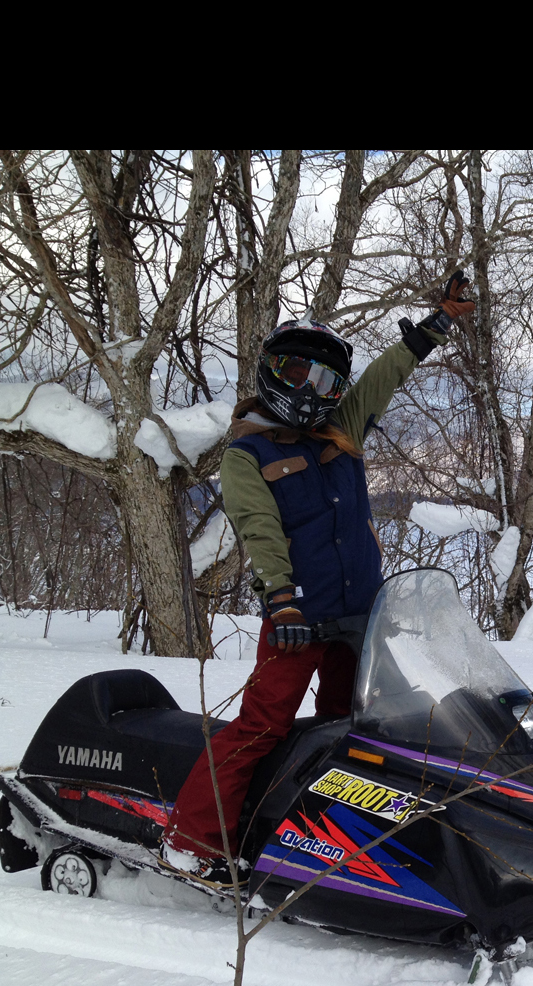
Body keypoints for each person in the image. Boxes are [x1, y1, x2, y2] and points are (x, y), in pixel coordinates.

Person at [161, 273, 475, 882]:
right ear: (272, 373)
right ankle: (191, 841)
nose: (314, 390)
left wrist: (437, 323)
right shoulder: (246, 454)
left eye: (328, 380)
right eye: (298, 373)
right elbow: (259, 530)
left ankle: (333, 842)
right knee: (260, 727)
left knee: (353, 730)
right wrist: (281, 601)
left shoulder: (342, 431)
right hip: (296, 620)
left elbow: (386, 376)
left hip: (359, 615)